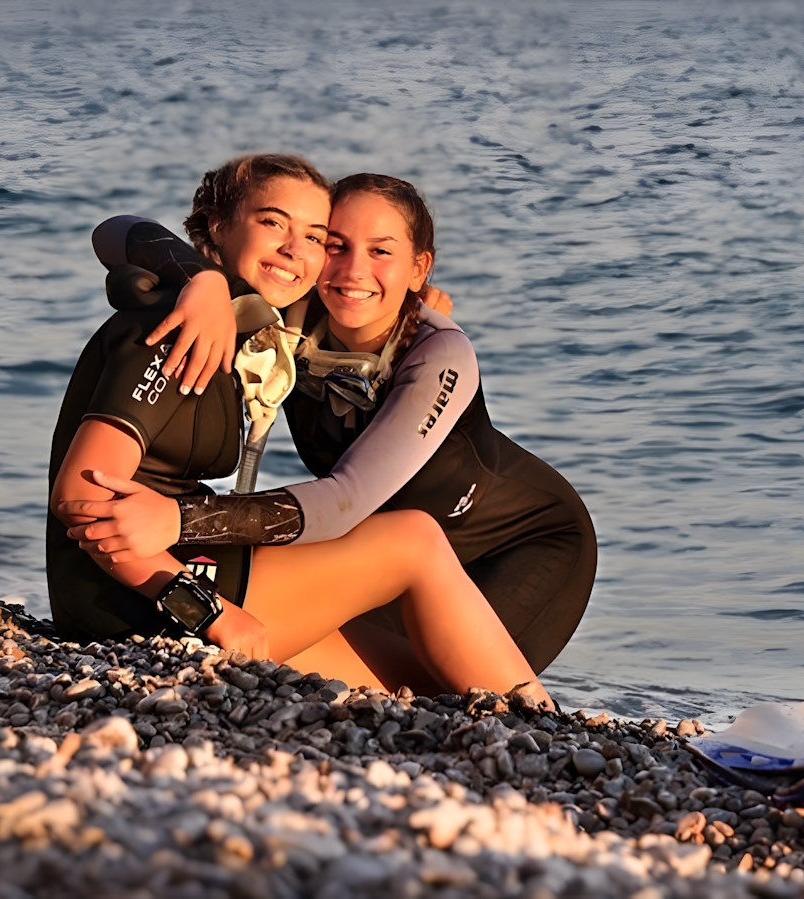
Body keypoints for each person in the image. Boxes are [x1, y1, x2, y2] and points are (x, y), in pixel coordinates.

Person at [48, 152, 551, 706]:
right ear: (218, 227)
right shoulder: (175, 326)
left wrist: (412, 302)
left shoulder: (250, 322)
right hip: (135, 594)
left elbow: (125, 235)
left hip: (165, 567)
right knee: (414, 539)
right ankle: (548, 727)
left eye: (316, 237)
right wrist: (211, 615)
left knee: (423, 685)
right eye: (273, 223)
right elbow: (80, 495)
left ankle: (536, 724)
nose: (295, 250)